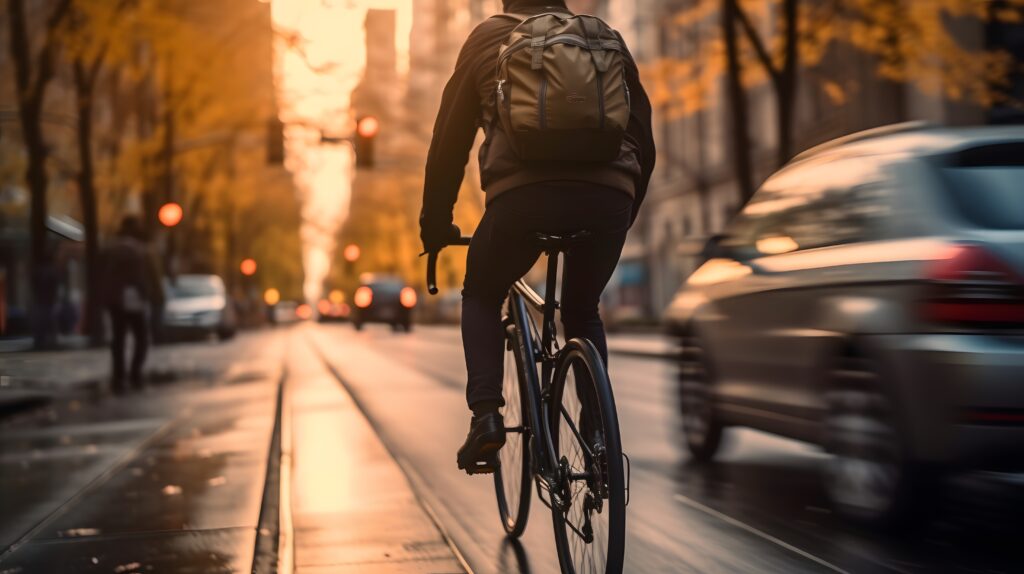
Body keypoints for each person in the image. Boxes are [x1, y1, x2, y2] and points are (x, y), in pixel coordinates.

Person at [419, 0, 655, 472]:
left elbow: (448, 142)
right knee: (582, 309)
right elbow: (642, 135)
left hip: (521, 200)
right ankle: (596, 438)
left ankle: (486, 417)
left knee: (482, 291)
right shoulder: (601, 35)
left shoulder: (487, 38)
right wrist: (623, 211)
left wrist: (436, 224)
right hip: (609, 197)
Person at [101, 216, 164, 393]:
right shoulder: (140, 250)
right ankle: (135, 374)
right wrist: (151, 294)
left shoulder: (110, 248)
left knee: (118, 339)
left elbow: (101, 275)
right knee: (141, 338)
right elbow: (144, 276)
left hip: (115, 300)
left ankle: (119, 376)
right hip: (134, 299)